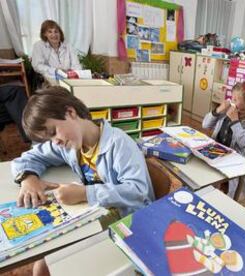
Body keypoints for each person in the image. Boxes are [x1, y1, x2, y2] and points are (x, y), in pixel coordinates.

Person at [12, 86, 155, 275]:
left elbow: (138, 191)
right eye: (48, 139)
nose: (55, 142)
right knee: (42, 265)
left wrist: (85, 193)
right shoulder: (68, 145)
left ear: (70, 112)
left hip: (128, 223)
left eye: (53, 132)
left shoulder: (119, 144)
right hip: (94, 214)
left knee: (46, 265)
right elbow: (26, 159)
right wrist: (28, 177)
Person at [202, 80, 245, 199]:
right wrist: (218, 110)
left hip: (234, 163)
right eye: (232, 98)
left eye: (235, 100)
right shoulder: (226, 112)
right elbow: (205, 125)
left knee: (211, 187)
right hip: (216, 154)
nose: (232, 102)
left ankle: (213, 199)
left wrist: (235, 121)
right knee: (198, 175)